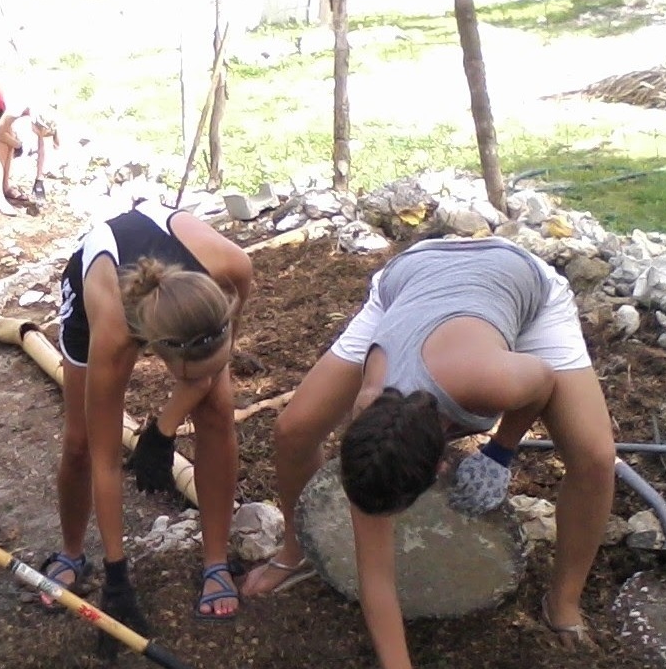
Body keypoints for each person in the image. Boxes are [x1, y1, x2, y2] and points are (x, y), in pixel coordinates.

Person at [241, 236, 616, 667]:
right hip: (411, 280)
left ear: (442, 464)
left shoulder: (494, 381)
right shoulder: (372, 417)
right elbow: (376, 577)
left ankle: (563, 603)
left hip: (513, 277)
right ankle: (297, 551)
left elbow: (542, 383)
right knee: (293, 428)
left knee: (595, 458)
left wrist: (500, 452)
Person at [41, 200, 253, 643]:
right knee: (81, 443)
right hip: (93, 288)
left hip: (186, 287)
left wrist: (163, 429)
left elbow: (215, 361)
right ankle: (74, 552)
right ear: (158, 352)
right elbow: (105, 459)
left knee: (217, 414)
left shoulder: (231, 271)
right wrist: (116, 576)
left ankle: (216, 560)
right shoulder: (114, 335)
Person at [0, 77, 57, 215]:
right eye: (38, 134)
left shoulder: (49, 113)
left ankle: (5, 187)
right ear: (33, 123)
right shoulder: (17, 108)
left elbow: (44, 145)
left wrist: (39, 180)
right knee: (0, 147)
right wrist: (18, 145)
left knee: (10, 139)